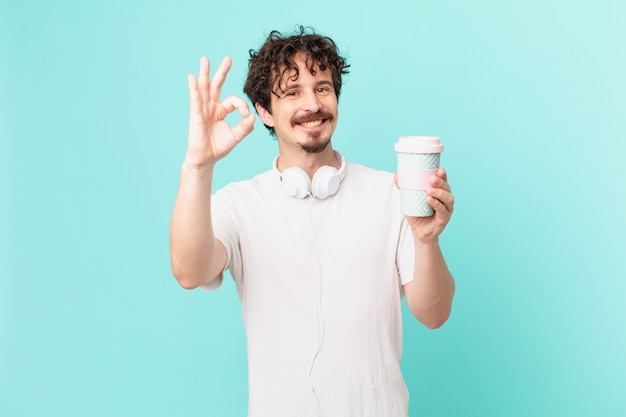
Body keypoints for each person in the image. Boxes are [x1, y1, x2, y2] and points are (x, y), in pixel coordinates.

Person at [170, 26, 455, 417]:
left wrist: (426, 241)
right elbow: (189, 272)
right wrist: (198, 165)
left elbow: (434, 314)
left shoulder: (392, 194)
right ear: (265, 111)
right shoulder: (239, 205)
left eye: (322, 87)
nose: (312, 103)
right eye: (292, 92)